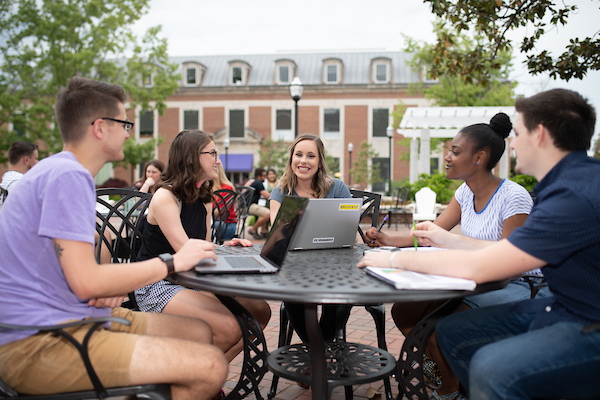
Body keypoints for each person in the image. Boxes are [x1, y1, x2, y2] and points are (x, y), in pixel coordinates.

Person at [358, 88, 600, 400]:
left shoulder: (570, 196)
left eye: (519, 132)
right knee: (451, 331)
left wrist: (392, 260)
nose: (512, 143)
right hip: (566, 305)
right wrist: (413, 243)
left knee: (491, 368)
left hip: (585, 319)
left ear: (538, 135)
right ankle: (462, 389)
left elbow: (484, 265)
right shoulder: (569, 183)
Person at [0, 77, 227, 399]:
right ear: (100, 127)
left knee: (199, 331)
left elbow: (77, 271)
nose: (128, 132)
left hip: (73, 313)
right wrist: (172, 262)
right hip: (36, 340)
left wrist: (106, 283)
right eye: (125, 124)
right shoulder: (68, 176)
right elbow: (87, 281)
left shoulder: (59, 170)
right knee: (209, 366)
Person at [365, 113, 548, 400]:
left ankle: (450, 391)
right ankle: (441, 369)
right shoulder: (464, 192)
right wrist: (389, 240)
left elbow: (511, 256)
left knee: (438, 330)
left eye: (456, 151)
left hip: (517, 283)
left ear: (480, 157)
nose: (448, 157)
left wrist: (452, 242)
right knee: (404, 311)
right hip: (471, 276)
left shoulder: (514, 196)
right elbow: (432, 232)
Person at [134, 129, 271, 362]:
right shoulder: (165, 197)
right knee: (228, 328)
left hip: (191, 278)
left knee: (260, 311)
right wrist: (217, 250)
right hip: (157, 282)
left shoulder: (203, 196)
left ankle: (205, 378)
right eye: (212, 153)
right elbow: (187, 252)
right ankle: (191, 380)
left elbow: (203, 245)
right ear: (190, 157)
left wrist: (226, 246)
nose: (218, 160)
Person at [270, 133, 353, 344]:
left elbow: (350, 227)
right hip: (295, 265)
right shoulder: (281, 191)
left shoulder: (337, 188)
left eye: (310, 156)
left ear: (319, 161)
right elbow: (277, 236)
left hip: (335, 264)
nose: (303, 161)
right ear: (291, 159)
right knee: (293, 293)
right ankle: (319, 350)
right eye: (298, 155)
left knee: (343, 297)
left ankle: (317, 350)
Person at [213, 163, 237, 241]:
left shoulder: (227, 188)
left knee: (201, 226)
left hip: (227, 225)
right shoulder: (205, 187)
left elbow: (217, 213)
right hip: (215, 223)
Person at [245, 168, 271, 239]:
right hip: (249, 206)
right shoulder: (258, 183)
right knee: (268, 213)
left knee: (265, 210)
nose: (265, 177)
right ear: (259, 176)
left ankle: (264, 231)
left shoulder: (252, 181)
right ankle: (253, 230)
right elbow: (267, 196)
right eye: (264, 175)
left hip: (245, 205)